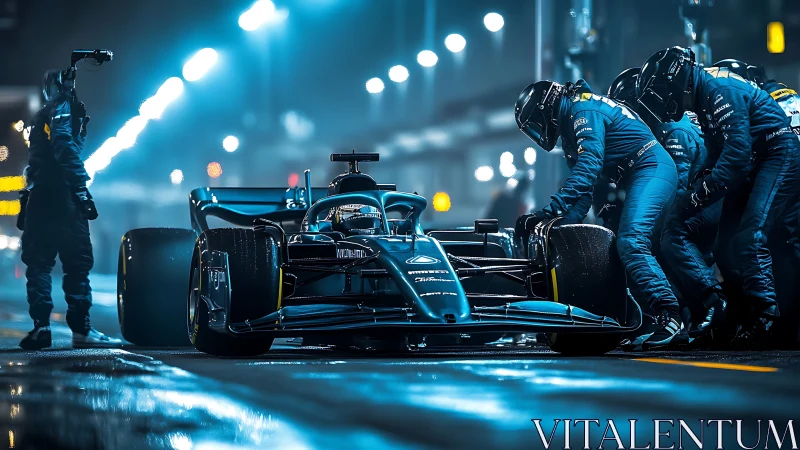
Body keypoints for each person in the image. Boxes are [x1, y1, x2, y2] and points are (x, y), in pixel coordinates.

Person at [636, 47, 800, 347]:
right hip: (755, 160)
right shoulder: (702, 95)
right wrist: (699, 186)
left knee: (751, 237)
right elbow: (717, 151)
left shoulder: (716, 87)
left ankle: (768, 319)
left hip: (777, 152)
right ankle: (742, 315)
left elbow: (736, 154)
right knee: (725, 248)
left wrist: (698, 196)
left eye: (661, 91)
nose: (660, 100)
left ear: (676, 80)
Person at [514, 79, 685, 349]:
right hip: (636, 174)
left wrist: (549, 211)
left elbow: (588, 170)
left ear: (546, 108)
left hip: (651, 166)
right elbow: (584, 194)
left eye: (535, 123)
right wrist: (553, 227)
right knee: (617, 248)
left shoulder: (583, 110)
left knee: (631, 242)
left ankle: (671, 317)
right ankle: (649, 320)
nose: (538, 133)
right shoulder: (572, 126)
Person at [609, 68, 725, 338]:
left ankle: (709, 305)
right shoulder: (663, 127)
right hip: (708, 197)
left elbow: (679, 189)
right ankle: (687, 314)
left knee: (661, 237)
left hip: (712, 201)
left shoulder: (673, 130)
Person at [18, 69, 122, 349]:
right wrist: (79, 188)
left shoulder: (41, 117)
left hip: (39, 200)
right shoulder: (61, 110)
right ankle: (81, 331)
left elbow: (38, 161)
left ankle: (41, 328)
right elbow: (64, 146)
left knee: (38, 266)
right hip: (63, 199)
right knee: (76, 266)